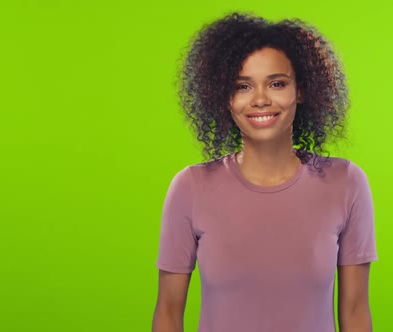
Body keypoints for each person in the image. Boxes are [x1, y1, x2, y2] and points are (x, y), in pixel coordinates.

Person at [152, 12, 378, 332]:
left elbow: (355, 311)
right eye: (243, 86)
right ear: (224, 98)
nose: (260, 99)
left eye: (276, 83)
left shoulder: (346, 183)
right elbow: (169, 311)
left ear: (300, 90)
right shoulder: (190, 187)